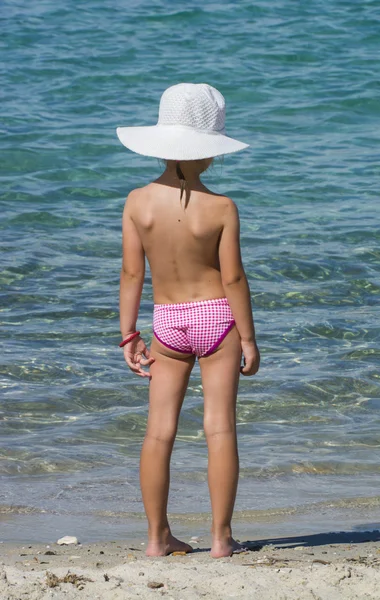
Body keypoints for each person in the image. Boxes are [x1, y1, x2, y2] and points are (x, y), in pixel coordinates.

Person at [117, 83, 260, 558]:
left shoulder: (137, 202)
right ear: (208, 151)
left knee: (159, 430)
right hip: (217, 318)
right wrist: (249, 339)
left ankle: (157, 538)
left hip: (168, 321)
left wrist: (128, 336)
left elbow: (132, 272)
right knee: (219, 427)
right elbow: (234, 278)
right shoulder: (221, 207)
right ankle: (221, 539)